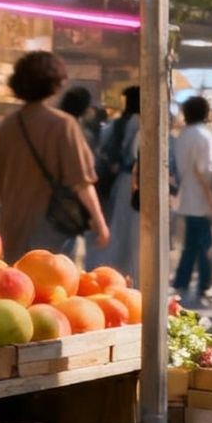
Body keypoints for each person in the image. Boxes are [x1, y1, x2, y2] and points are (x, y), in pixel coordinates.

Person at [0, 51, 108, 260]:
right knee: (52, 286)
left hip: (12, 226)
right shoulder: (63, 124)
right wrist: (99, 222)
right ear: (56, 84)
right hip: (50, 227)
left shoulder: (9, 125)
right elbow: (82, 181)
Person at [171, 95, 212, 310]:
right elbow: (205, 170)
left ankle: (181, 283)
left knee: (191, 244)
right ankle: (202, 287)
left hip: (186, 196)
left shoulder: (182, 135)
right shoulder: (206, 135)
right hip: (202, 198)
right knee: (204, 245)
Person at [88, 86, 141, 279]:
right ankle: (132, 276)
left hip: (121, 181)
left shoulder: (118, 123)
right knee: (135, 234)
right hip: (136, 180)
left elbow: (102, 146)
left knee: (119, 229)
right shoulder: (143, 123)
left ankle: (116, 274)